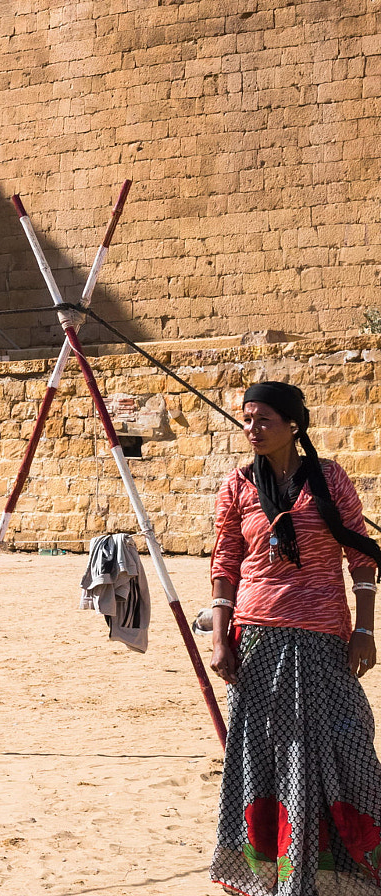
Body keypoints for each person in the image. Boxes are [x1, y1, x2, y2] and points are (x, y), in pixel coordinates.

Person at [209, 380, 381, 894]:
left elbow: (363, 558)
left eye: (264, 420)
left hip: (325, 642)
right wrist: (221, 640)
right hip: (257, 643)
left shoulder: (328, 480)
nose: (253, 429)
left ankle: (346, 871)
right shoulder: (237, 486)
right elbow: (225, 564)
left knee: (345, 749)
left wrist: (364, 629)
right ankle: (274, 876)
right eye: (247, 419)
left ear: (293, 426)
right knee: (265, 754)